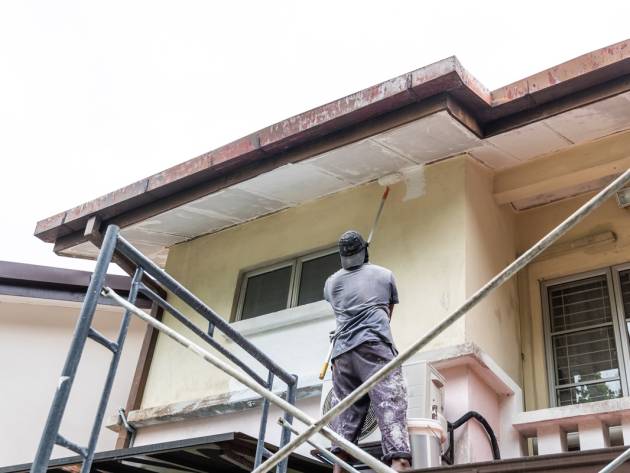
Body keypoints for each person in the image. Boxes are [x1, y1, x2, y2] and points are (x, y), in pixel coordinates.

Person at [324, 230, 411, 472]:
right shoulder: (384, 275)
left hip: (341, 355)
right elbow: (387, 313)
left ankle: (339, 468)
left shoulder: (331, 283)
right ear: (365, 251)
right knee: (389, 402)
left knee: (345, 413)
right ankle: (399, 462)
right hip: (374, 346)